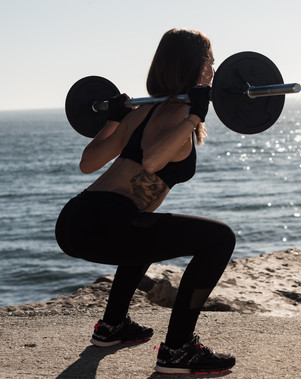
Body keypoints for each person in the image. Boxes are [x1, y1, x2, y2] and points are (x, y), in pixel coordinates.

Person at [55, 28, 236, 375]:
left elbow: (87, 163)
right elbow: (153, 160)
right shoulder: (179, 115)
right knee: (220, 238)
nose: (214, 70)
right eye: (209, 62)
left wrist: (114, 119)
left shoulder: (141, 113)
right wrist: (194, 116)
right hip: (107, 222)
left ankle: (112, 327)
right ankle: (178, 349)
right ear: (191, 67)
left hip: (75, 219)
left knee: (146, 232)